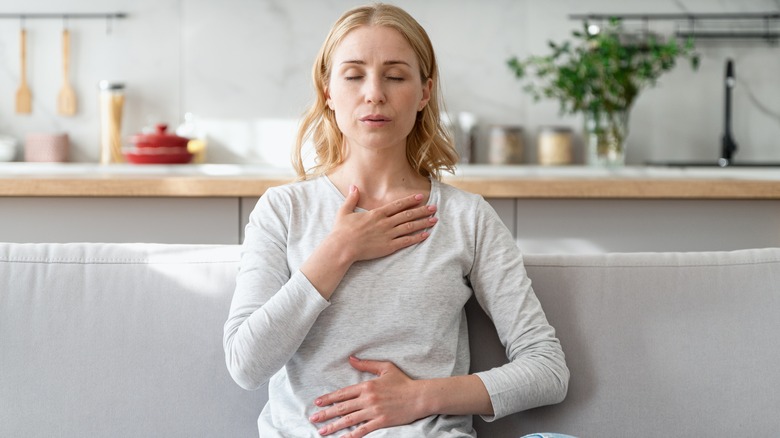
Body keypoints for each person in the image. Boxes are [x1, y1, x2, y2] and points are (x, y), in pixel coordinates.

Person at [223, 3, 569, 437]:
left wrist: (421, 396)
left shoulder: (467, 218)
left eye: (395, 75)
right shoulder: (283, 210)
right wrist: (339, 250)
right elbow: (245, 364)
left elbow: (547, 369)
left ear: (424, 93)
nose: (374, 93)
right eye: (353, 75)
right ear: (327, 89)